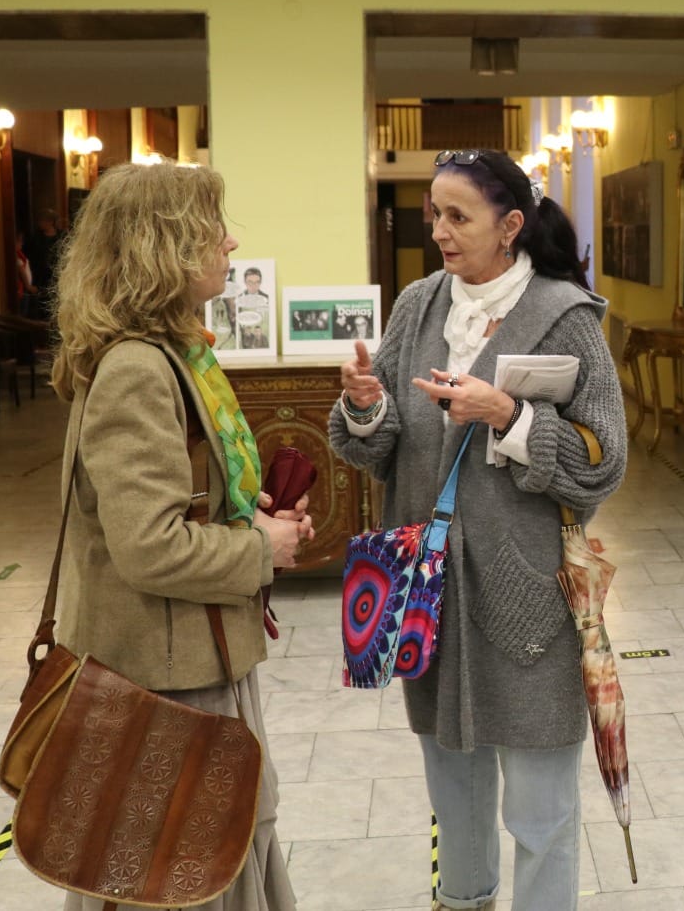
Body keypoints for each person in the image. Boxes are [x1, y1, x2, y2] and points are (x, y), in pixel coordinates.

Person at [329, 148, 626, 911]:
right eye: (435, 214)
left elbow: (604, 462)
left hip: (526, 598)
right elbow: (378, 446)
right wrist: (365, 406)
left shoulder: (566, 316)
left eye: (458, 216)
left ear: (511, 225)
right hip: (428, 593)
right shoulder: (419, 305)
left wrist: (512, 417)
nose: (439, 231)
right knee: (453, 793)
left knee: (540, 810)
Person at [48, 163, 311, 911]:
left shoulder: (172, 353)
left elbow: (178, 500)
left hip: (190, 657)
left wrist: (246, 512)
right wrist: (261, 548)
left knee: (212, 849)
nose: (231, 242)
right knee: (178, 866)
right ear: (162, 247)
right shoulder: (138, 368)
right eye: (211, 229)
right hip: (166, 681)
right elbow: (150, 547)